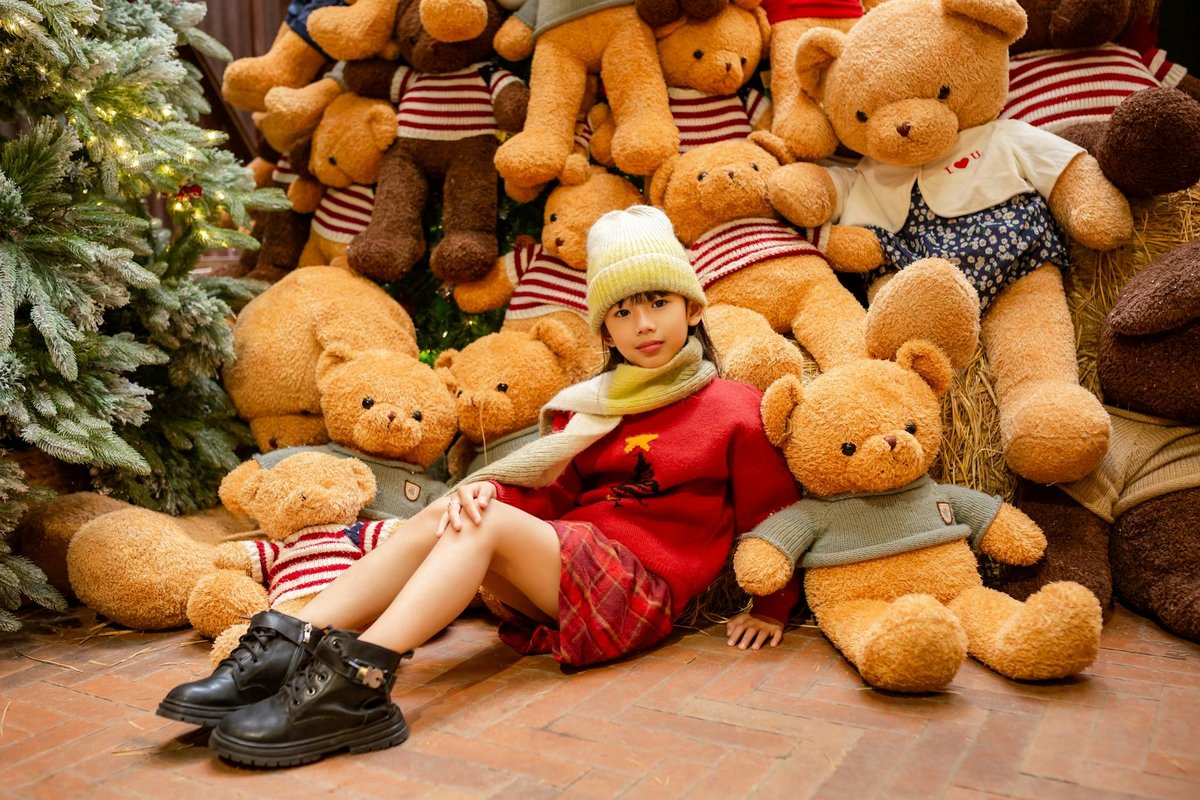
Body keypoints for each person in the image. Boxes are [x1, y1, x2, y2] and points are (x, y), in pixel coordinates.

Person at [157, 205, 802, 768]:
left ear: (691, 305)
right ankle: (284, 642)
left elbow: (775, 515)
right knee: (456, 510)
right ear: (605, 330)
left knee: (482, 519)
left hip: (641, 591)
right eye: (623, 312)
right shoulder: (598, 405)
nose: (644, 326)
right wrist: (484, 495)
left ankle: (355, 681)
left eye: (658, 302)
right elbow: (545, 494)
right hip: (568, 564)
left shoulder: (733, 407)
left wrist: (772, 608)